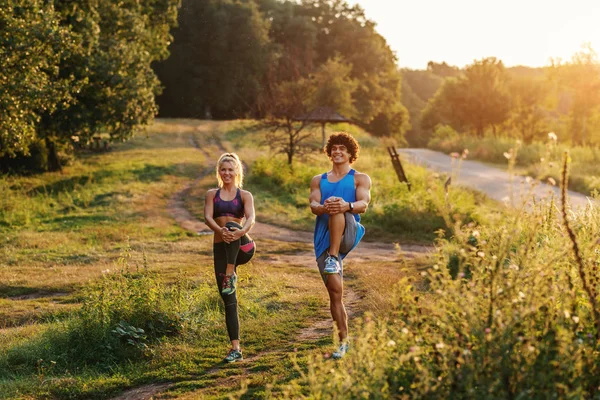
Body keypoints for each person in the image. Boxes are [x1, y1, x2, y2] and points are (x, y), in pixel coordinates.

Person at [309, 131, 371, 360]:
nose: (337, 151)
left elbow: (364, 203)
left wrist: (346, 204)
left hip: (349, 230)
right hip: (323, 237)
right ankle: (343, 342)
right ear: (329, 152)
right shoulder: (319, 179)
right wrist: (325, 207)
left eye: (342, 148)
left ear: (350, 153)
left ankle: (334, 257)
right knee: (335, 293)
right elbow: (314, 204)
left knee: (338, 206)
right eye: (334, 148)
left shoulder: (359, 178)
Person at [204, 153, 255, 363]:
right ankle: (236, 348)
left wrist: (239, 232)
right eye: (223, 169)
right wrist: (220, 231)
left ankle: (230, 272)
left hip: (243, 247)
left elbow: (251, 218)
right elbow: (207, 217)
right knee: (228, 300)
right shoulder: (211, 194)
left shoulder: (245, 195)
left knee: (233, 225)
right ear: (219, 171)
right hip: (220, 249)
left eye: (230, 170)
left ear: (237, 172)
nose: (226, 173)